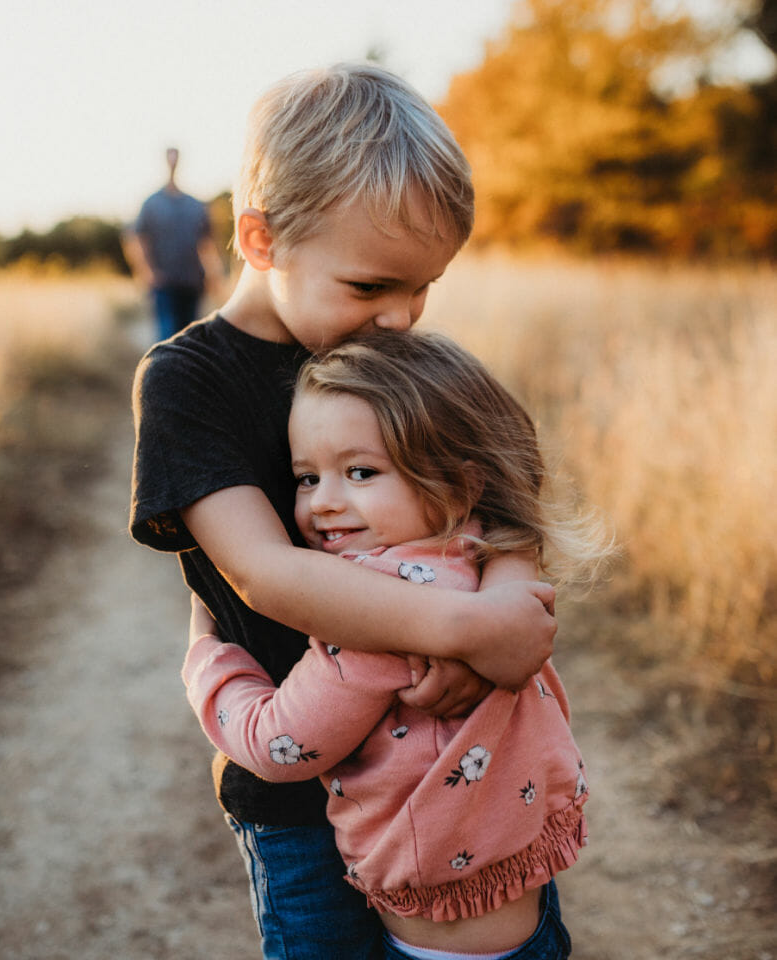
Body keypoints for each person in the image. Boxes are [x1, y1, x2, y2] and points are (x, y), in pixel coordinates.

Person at [130, 63, 558, 959]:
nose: (402, 317)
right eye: (371, 288)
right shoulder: (189, 382)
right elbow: (267, 572)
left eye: (424, 288)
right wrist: (466, 627)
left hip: (462, 769)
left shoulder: (397, 357)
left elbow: (511, 493)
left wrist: (506, 605)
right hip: (299, 797)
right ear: (259, 239)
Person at [183, 330, 610, 960]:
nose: (324, 503)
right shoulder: (478, 557)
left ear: (460, 483)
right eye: (306, 477)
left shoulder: (375, 617)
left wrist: (205, 654)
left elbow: (276, 745)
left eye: (360, 472)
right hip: (528, 917)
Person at [123, 147, 224, 341]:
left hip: (192, 281)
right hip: (164, 283)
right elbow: (136, 238)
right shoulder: (151, 204)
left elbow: (207, 243)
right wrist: (147, 271)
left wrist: (214, 275)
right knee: (167, 337)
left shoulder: (195, 205)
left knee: (189, 338)